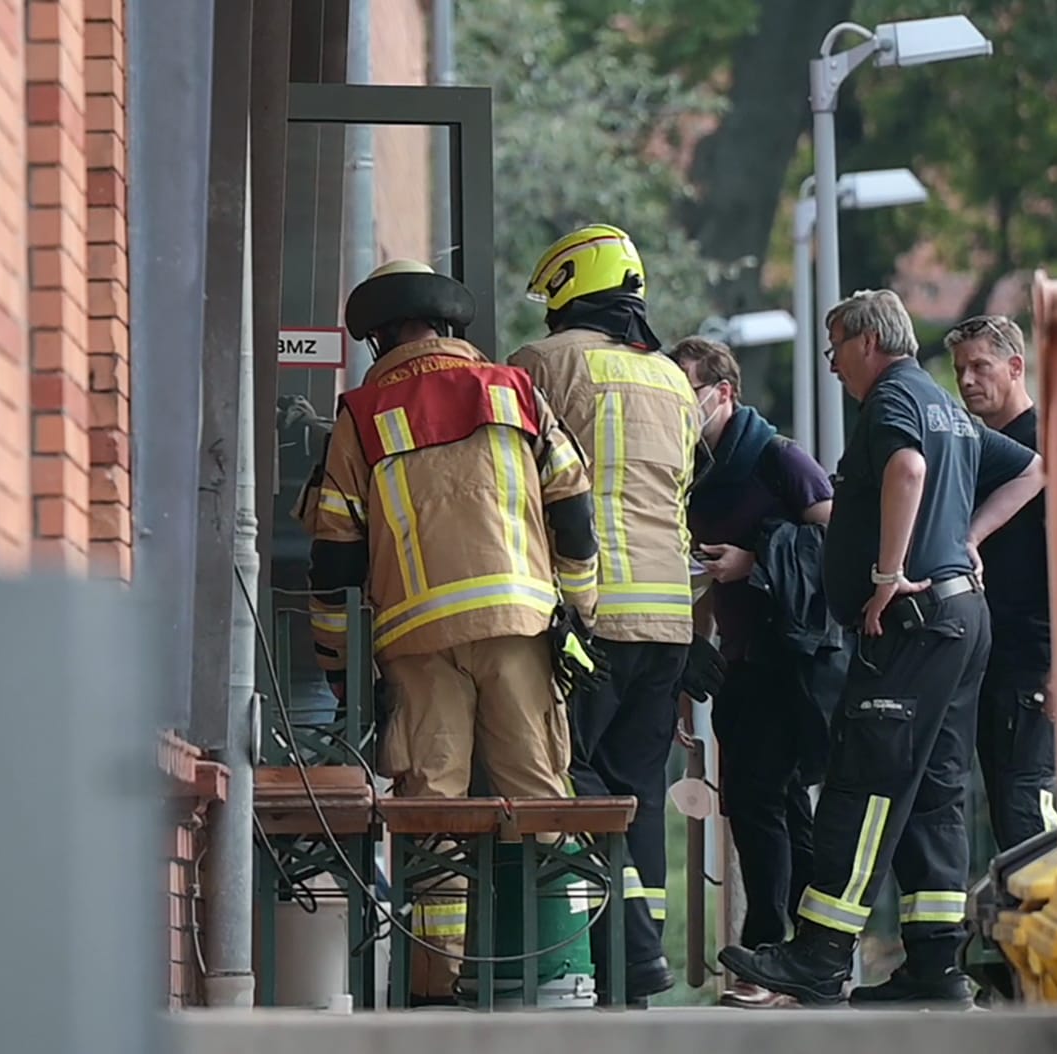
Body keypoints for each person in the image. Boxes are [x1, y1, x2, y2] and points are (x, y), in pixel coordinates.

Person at [718, 290, 1046, 1009]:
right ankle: (935, 965)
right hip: (962, 618)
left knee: (861, 784)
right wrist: (968, 541)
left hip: (913, 623)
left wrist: (888, 574)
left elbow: (907, 471)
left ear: (869, 341)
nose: (831, 364)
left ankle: (819, 952)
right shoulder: (944, 405)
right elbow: (1032, 468)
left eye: (835, 346)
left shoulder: (894, 398)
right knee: (933, 793)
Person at [294, 259, 600, 1004]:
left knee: (434, 809)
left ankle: (433, 987)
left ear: (377, 338)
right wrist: (580, 612)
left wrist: (337, 667)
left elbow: (332, 558)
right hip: (520, 624)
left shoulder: (360, 416)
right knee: (540, 797)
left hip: (416, 639)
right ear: (451, 325)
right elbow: (574, 506)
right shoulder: (514, 390)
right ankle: (560, 975)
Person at [508, 224, 699, 1005]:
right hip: (670, 621)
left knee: (573, 780)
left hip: (593, 616)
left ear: (566, 292)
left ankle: (633, 943)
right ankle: (634, 980)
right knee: (639, 793)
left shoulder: (543, 364)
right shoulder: (676, 382)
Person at [668, 337, 846, 1006]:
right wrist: (696, 669)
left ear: (723, 392)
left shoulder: (777, 457)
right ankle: (803, 953)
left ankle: (771, 947)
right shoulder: (697, 472)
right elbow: (708, 578)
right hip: (741, 659)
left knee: (758, 799)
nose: (679, 406)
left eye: (687, 392)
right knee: (769, 803)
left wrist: (756, 559)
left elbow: (835, 538)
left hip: (793, 658)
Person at [947, 315, 1057, 851]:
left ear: (1016, 367)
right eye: (960, 369)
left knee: (1025, 805)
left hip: (1033, 662)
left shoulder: (1050, 448)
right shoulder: (981, 452)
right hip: (989, 659)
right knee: (1006, 810)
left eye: (980, 366)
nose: (968, 380)